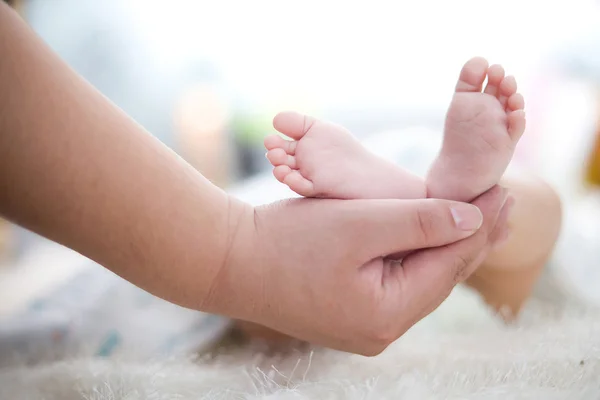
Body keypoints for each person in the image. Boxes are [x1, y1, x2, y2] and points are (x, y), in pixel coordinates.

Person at [0, 2, 512, 356]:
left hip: (208, 232)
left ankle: (421, 191)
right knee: (520, 236)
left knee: (514, 218)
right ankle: (426, 190)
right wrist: (236, 258)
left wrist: (236, 256)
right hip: (217, 227)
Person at [239, 58, 562, 341]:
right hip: (416, 167)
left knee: (262, 291)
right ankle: (453, 196)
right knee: (534, 220)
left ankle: (426, 199)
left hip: (286, 220)